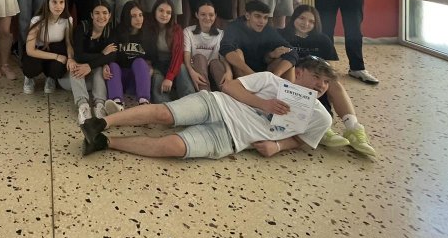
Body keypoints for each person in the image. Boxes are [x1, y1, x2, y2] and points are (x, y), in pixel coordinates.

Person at [78, 57, 336, 160]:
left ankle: (105, 142)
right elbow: (230, 87)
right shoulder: (270, 81)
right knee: (164, 114)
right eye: (317, 78)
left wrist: (278, 146)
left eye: (326, 82)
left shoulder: (321, 117)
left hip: (232, 138)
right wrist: (263, 103)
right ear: (299, 72)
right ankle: (100, 123)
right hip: (218, 104)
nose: (321, 86)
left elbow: (302, 139)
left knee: (173, 147)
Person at [280, 4, 376, 156]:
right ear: (294, 19)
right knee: (310, 80)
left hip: (316, 79)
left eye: (311, 21)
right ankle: (321, 127)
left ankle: (353, 128)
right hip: (293, 78)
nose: (306, 24)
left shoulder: (322, 40)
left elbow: (330, 70)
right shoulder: (281, 35)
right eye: (302, 18)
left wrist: (320, 79)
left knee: (332, 82)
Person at [66, 0, 114, 123]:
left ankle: (100, 105)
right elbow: (78, 56)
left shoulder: (110, 31)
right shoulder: (82, 28)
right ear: (92, 15)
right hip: (73, 81)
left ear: (109, 15)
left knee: (99, 68)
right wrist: (102, 55)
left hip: (94, 81)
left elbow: (112, 56)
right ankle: (83, 106)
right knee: (75, 66)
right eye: (97, 13)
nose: (101, 16)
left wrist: (91, 65)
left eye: (105, 13)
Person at [219, 0, 295, 78]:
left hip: (263, 72)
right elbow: (225, 49)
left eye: (265, 17)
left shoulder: (268, 30)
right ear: (247, 16)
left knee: (289, 62)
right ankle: (247, 83)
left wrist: (276, 75)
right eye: (257, 16)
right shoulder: (234, 27)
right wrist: (253, 75)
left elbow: (292, 52)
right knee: (237, 52)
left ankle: (282, 85)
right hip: (242, 73)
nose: (262, 21)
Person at [102, 1, 152, 110]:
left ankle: (144, 102)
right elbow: (109, 56)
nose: (138, 19)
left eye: (140, 15)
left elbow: (152, 57)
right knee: (113, 65)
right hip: (117, 80)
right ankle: (117, 103)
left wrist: (150, 66)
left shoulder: (147, 34)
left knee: (140, 62)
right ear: (126, 17)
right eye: (133, 16)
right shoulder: (117, 32)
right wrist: (105, 65)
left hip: (136, 82)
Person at [21, 0, 72, 94]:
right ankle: (29, 78)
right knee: (31, 67)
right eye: (54, 2)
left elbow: (68, 43)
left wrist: (70, 59)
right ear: (47, 2)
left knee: (59, 66)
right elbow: (30, 50)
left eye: (61, 2)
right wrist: (56, 57)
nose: (58, 6)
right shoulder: (37, 20)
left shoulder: (67, 20)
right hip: (38, 51)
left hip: (55, 49)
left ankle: (51, 77)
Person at [144, 0, 196, 103]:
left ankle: (191, 103)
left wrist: (169, 77)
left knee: (182, 68)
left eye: (168, 12)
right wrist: (148, 65)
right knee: (158, 85)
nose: (164, 15)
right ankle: (166, 108)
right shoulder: (147, 28)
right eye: (161, 10)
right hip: (156, 65)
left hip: (174, 64)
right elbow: (144, 52)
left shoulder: (177, 29)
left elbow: (178, 55)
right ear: (155, 11)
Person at [182, 0, 226, 91]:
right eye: (203, 14)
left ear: (215, 16)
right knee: (199, 58)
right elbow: (186, 56)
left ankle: (228, 92)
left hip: (215, 72)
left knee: (215, 62)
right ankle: (205, 94)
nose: (207, 18)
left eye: (211, 15)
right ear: (197, 15)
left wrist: (229, 73)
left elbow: (224, 58)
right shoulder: (188, 31)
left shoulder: (221, 34)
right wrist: (191, 72)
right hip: (196, 72)